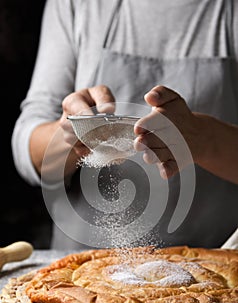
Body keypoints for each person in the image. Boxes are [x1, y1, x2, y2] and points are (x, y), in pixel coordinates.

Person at [12, 0, 238, 250]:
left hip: (214, 266)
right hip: (75, 275)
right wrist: (68, 134)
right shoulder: (76, 4)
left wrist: (206, 139)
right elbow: (26, 150)